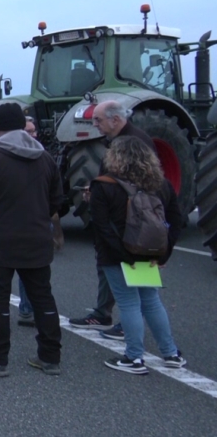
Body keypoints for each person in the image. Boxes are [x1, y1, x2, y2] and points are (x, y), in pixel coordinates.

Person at [0, 104, 64, 377]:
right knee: (43, 298)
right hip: (38, 240)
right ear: (24, 125)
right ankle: (50, 357)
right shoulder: (45, 160)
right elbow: (58, 201)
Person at [91, 136, 186, 374]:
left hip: (118, 256)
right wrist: (163, 255)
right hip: (150, 253)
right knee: (151, 301)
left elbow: (101, 228)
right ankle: (171, 352)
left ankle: (134, 357)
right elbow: (175, 220)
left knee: (128, 303)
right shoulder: (161, 185)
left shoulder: (103, 185)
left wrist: (124, 256)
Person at [69, 100, 156, 339]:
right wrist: (96, 188)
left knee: (129, 275)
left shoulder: (134, 142)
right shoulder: (118, 141)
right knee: (108, 264)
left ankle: (130, 329)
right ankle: (103, 312)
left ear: (115, 119)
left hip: (128, 221)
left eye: (98, 120)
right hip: (120, 217)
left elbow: (142, 183)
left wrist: (103, 191)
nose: (94, 124)